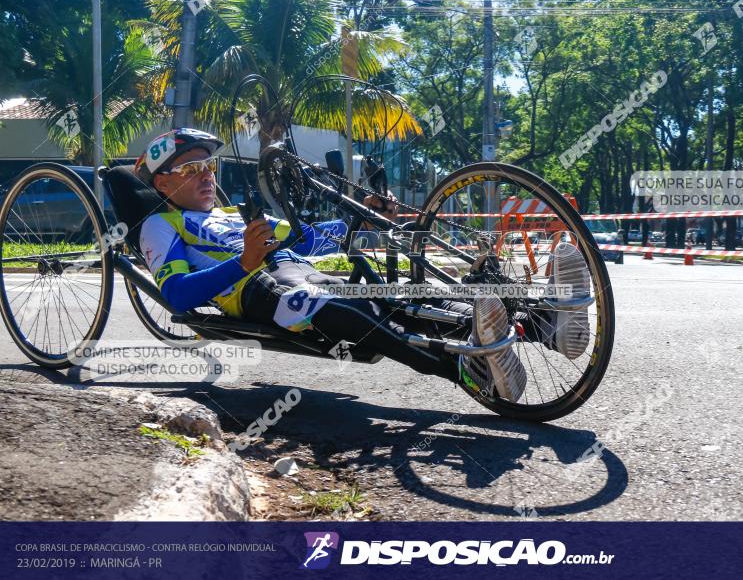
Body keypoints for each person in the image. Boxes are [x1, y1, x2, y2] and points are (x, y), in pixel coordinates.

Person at [134, 129, 590, 402]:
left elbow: (308, 238)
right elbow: (177, 297)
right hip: (259, 293)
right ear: (162, 182)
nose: (208, 176)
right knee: (350, 313)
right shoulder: (160, 224)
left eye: (210, 167)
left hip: (299, 271)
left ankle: (543, 323)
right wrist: (245, 261)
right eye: (193, 171)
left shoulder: (232, 214)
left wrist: (362, 212)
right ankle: (468, 373)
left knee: (401, 298)